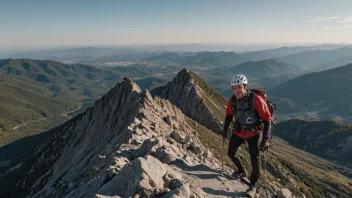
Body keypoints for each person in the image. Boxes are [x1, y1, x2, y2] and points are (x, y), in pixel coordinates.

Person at [222, 74, 272, 197]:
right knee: (231, 152)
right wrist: (225, 129)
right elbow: (229, 115)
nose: (237, 91)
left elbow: (267, 120)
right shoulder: (233, 100)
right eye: (234, 88)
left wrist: (266, 139)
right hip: (239, 131)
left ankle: (253, 185)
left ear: (245, 86)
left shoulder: (256, 100)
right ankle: (242, 170)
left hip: (254, 133)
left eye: (239, 87)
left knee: (255, 160)